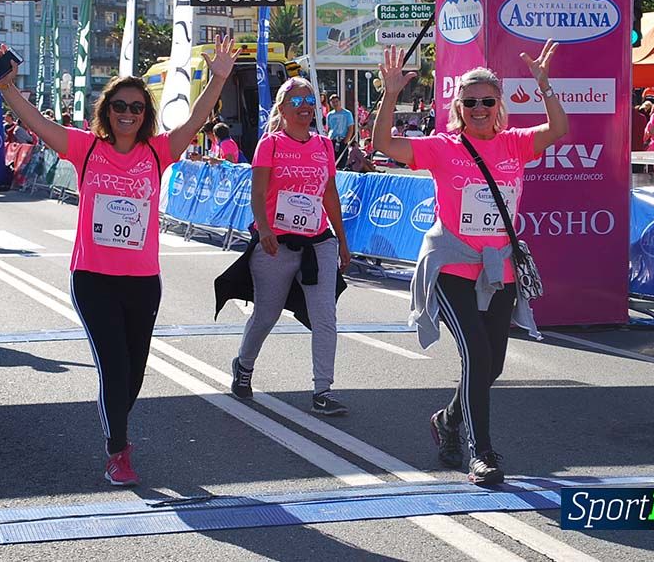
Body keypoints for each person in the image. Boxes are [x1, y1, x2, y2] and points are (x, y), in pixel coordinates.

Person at [0, 36, 239, 486]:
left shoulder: (157, 152)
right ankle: (118, 451)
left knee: (134, 371)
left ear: (146, 115)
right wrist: (8, 89)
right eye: (119, 106)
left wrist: (220, 77)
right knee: (113, 365)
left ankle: (115, 423)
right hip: (93, 279)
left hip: (142, 281)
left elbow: (197, 119)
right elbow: (38, 123)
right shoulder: (86, 149)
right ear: (107, 111)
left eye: (137, 108)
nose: (127, 114)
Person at [373, 41, 568, 486]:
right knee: (476, 354)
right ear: (458, 107)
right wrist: (389, 94)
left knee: (492, 365)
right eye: (470, 102)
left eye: (487, 101)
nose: (479, 109)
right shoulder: (443, 147)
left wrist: (545, 86)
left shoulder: (515, 144)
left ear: (498, 105)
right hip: (452, 265)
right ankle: (482, 453)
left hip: (499, 268)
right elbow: (383, 143)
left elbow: (557, 129)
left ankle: (447, 418)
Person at [228, 76, 352, 416]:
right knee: (267, 313)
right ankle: (244, 365)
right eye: (297, 102)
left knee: (325, 316)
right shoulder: (270, 144)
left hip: (318, 241)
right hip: (276, 243)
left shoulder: (324, 146)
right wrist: (264, 228)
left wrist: (342, 241)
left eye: (310, 102)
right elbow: (257, 192)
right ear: (282, 109)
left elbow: (329, 194)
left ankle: (322, 390)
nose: (305, 108)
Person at [326, 94, 355, 168]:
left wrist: (346, 140)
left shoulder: (347, 113)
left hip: (342, 139)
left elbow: (350, 127)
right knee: (332, 161)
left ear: (339, 102)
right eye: (333, 102)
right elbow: (329, 128)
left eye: (336, 101)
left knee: (342, 161)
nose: (335, 104)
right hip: (332, 139)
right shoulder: (329, 115)